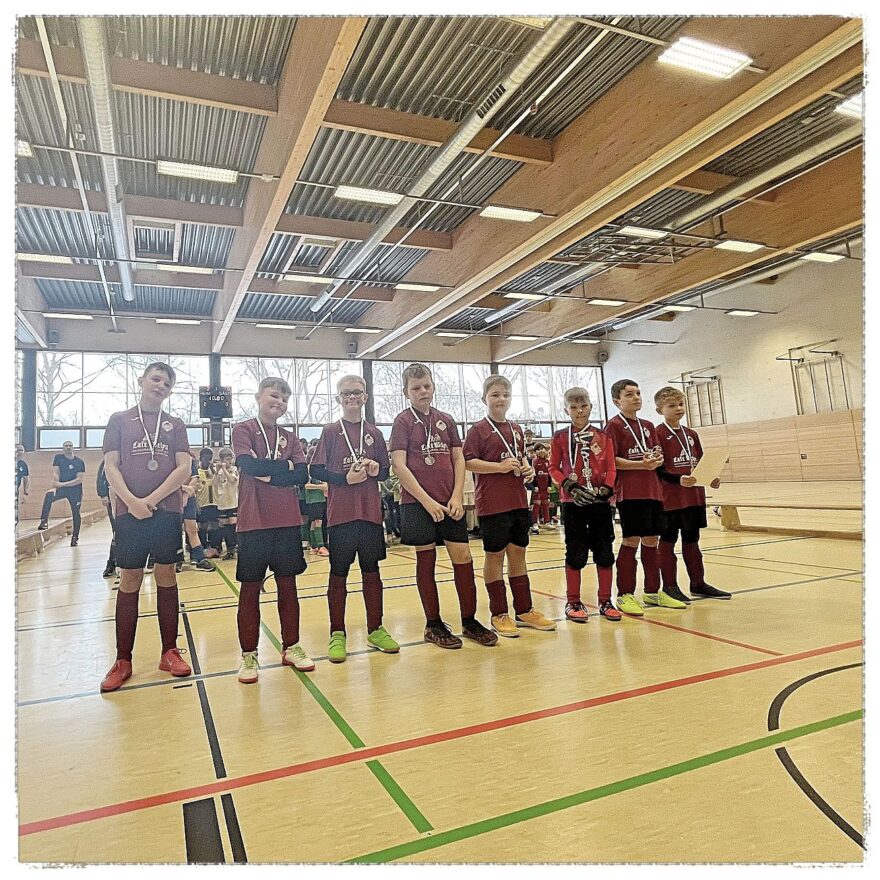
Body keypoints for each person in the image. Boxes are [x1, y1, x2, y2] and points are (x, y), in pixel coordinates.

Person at [99, 362, 193, 692]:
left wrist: (151, 500)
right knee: (130, 577)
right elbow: (110, 466)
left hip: (165, 510)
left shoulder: (175, 424)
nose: (160, 386)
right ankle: (123, 660)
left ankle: (169, 651)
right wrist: (131, 501)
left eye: (167, 383)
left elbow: (184, 467)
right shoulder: (119, 420)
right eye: (156, 379)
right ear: (142, 380)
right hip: (129, 513)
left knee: (166, 574)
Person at [389, 363, 496, 648]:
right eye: (416, 388)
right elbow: (399, 465)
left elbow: (458, 459)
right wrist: (427, 501)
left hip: (450, 502)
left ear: (433, 387)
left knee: (463, 557)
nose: (422, 391)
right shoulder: (402, 422)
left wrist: (457, 495)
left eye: (426, 386)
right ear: (406, 392)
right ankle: (433, 624)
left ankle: (470, 621)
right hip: (417, 504)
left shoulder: (446, 420)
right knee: (426, 561)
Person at [310, 374, 400, 662]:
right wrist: (344, 479)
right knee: (338, 573)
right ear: (339, 398)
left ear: (365, 397)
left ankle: (376, 629)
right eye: (346, 393)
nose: (352, 397)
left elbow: (385, 472)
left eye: (357, 392)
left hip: (370, 513)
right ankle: (337, 632)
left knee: (371, 571)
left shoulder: (374, 432)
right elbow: (316, 470)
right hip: (341, 515)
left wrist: (374, 468)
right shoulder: (330, 431)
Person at [464, 374, 556, 638]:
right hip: (492, 503)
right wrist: (499, 467)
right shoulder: (478, 430)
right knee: (495, 555)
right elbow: (468, 462)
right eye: (495, 395)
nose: (501, 399)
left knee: (518, 553)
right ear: (484, 398)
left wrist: (527, 468)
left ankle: (524, 609)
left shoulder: (516, 429)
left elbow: (518, 458)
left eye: (505, 395)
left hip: (517, 500)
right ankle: (499, 612)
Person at [233, 377, 312, 684]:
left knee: (288, 586)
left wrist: (270, 472)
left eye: (284, 399)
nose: (279, 402)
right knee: (250, 588)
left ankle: (291, 646)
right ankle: (249, 654)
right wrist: (284, 468)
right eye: (274, 396)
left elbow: (301, 475)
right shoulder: (243, 429)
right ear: (259, 396)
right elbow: (248, 466)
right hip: (253, 521)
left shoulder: (290, 437)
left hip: (287, 521)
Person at [604, 379, 686, 615]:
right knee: (631, 540)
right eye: (629, 394)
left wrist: (656, 460)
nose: (636, 398)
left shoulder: (648, 425)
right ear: (617, 401)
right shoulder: (613, 426)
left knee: (652, 540)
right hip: (630, 493)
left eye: (638, 393)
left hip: (653, 490)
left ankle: (652, 591)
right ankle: (625, 594)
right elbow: (612, 460)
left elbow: (656, 454)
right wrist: (641, 464)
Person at [549, 387, 621, 622]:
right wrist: (570, 486)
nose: (579, 411)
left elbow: (611, 467)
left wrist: (607, 488)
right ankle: (573, 601)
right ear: (566, 410)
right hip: (573, 502)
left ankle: (605, 600)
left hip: (600, 502)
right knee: (576, 551)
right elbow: (553, 468)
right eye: (574, 407)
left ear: (591, 407)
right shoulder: (560, 437)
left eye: (584, 406)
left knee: (604, 551)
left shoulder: (603, 436)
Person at [654, 386, 731, 600]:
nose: (678, 408)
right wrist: (677, 479)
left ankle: (698, 583)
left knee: (692, 539)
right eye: (672, 405)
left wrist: (711, 477)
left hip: (693, 497)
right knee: (668, 540)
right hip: (670, 498)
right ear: (660, 410)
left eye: (681, 404)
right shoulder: (657, 434)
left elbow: (700, 463)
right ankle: (669, 586)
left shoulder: (691, 434)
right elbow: (656, 469)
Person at [38, 440, 86, 546]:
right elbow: (56, 473)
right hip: (62, 488)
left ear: (73, 448)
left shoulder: (79, 462)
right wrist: (55, 485)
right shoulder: (58, 458)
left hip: (75, 490)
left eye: (70, 445)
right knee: (49, 495)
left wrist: (63, 484)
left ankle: (75, 537)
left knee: (76, 513)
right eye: (66, 446)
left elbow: (79, 480)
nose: (68, 447)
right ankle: (44, 521)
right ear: (63, 448)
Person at [213, 447, 239, 560]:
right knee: (224, 526)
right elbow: (213, 484)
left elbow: (232, 480)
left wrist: (224, 469)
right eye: (227, 459)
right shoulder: (219, 471)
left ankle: (235, 548)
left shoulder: (233, 469)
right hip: (222, 503)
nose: (230, 461)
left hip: (233, 502)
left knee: (233, 525)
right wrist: (216, 471)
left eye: (230, 459)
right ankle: (229, 549)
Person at [195, 447, 221, 557]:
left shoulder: (214, 472)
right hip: (202, 503)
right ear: (200, 458)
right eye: (206, 459)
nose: (209, 461)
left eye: (210, 459)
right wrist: (196, 504)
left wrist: (214, 470)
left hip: (215, 503)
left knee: (215, 525)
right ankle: (203, 548)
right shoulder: (197, 472)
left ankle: (215, 547)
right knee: (203, 526)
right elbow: (194, 489)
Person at [96, 460, 118, 579]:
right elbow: (101, 478)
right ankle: (112, 563)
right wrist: (103, 494)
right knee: (117, 532)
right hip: (113, 498)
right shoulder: (108, 459)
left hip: (134, 498)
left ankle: (151, 558)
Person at [530, 442, 552, 534]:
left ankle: (547, 522)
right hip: (538, 487)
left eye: (542, 448)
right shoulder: (535, 461)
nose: (541, 450)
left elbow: (550, 474)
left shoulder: (547, 462)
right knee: (536, 505)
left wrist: (549, 485)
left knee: (545, 504)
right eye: (538, 449)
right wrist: (534, 485)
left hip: (545, 487)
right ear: (535, 452)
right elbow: (533, 474)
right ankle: (534, 523)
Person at [15, 444, 29, 525]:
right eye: (18, 450)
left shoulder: (23, 464)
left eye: (21, 450)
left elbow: (26, 479)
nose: (20, 452)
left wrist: (25, 493)